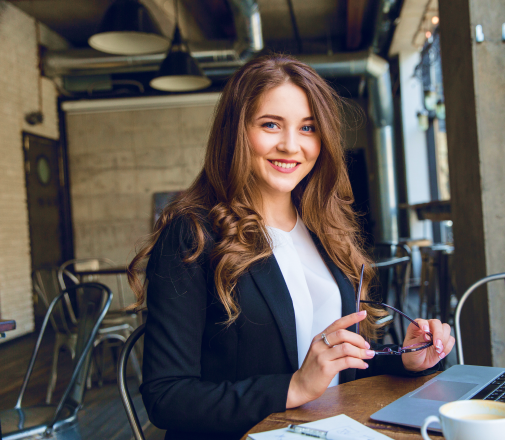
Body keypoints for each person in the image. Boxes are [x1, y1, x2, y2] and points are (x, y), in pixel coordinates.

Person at [127, 54, 455, 440]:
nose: (290, 145)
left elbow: (337, 372)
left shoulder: (324, 229)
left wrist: (406, 360)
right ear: (236, 132)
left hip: (335, 429)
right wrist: (293, 387)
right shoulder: (193, 234)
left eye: (307, 128)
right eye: (271, 124)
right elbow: (166, 397)